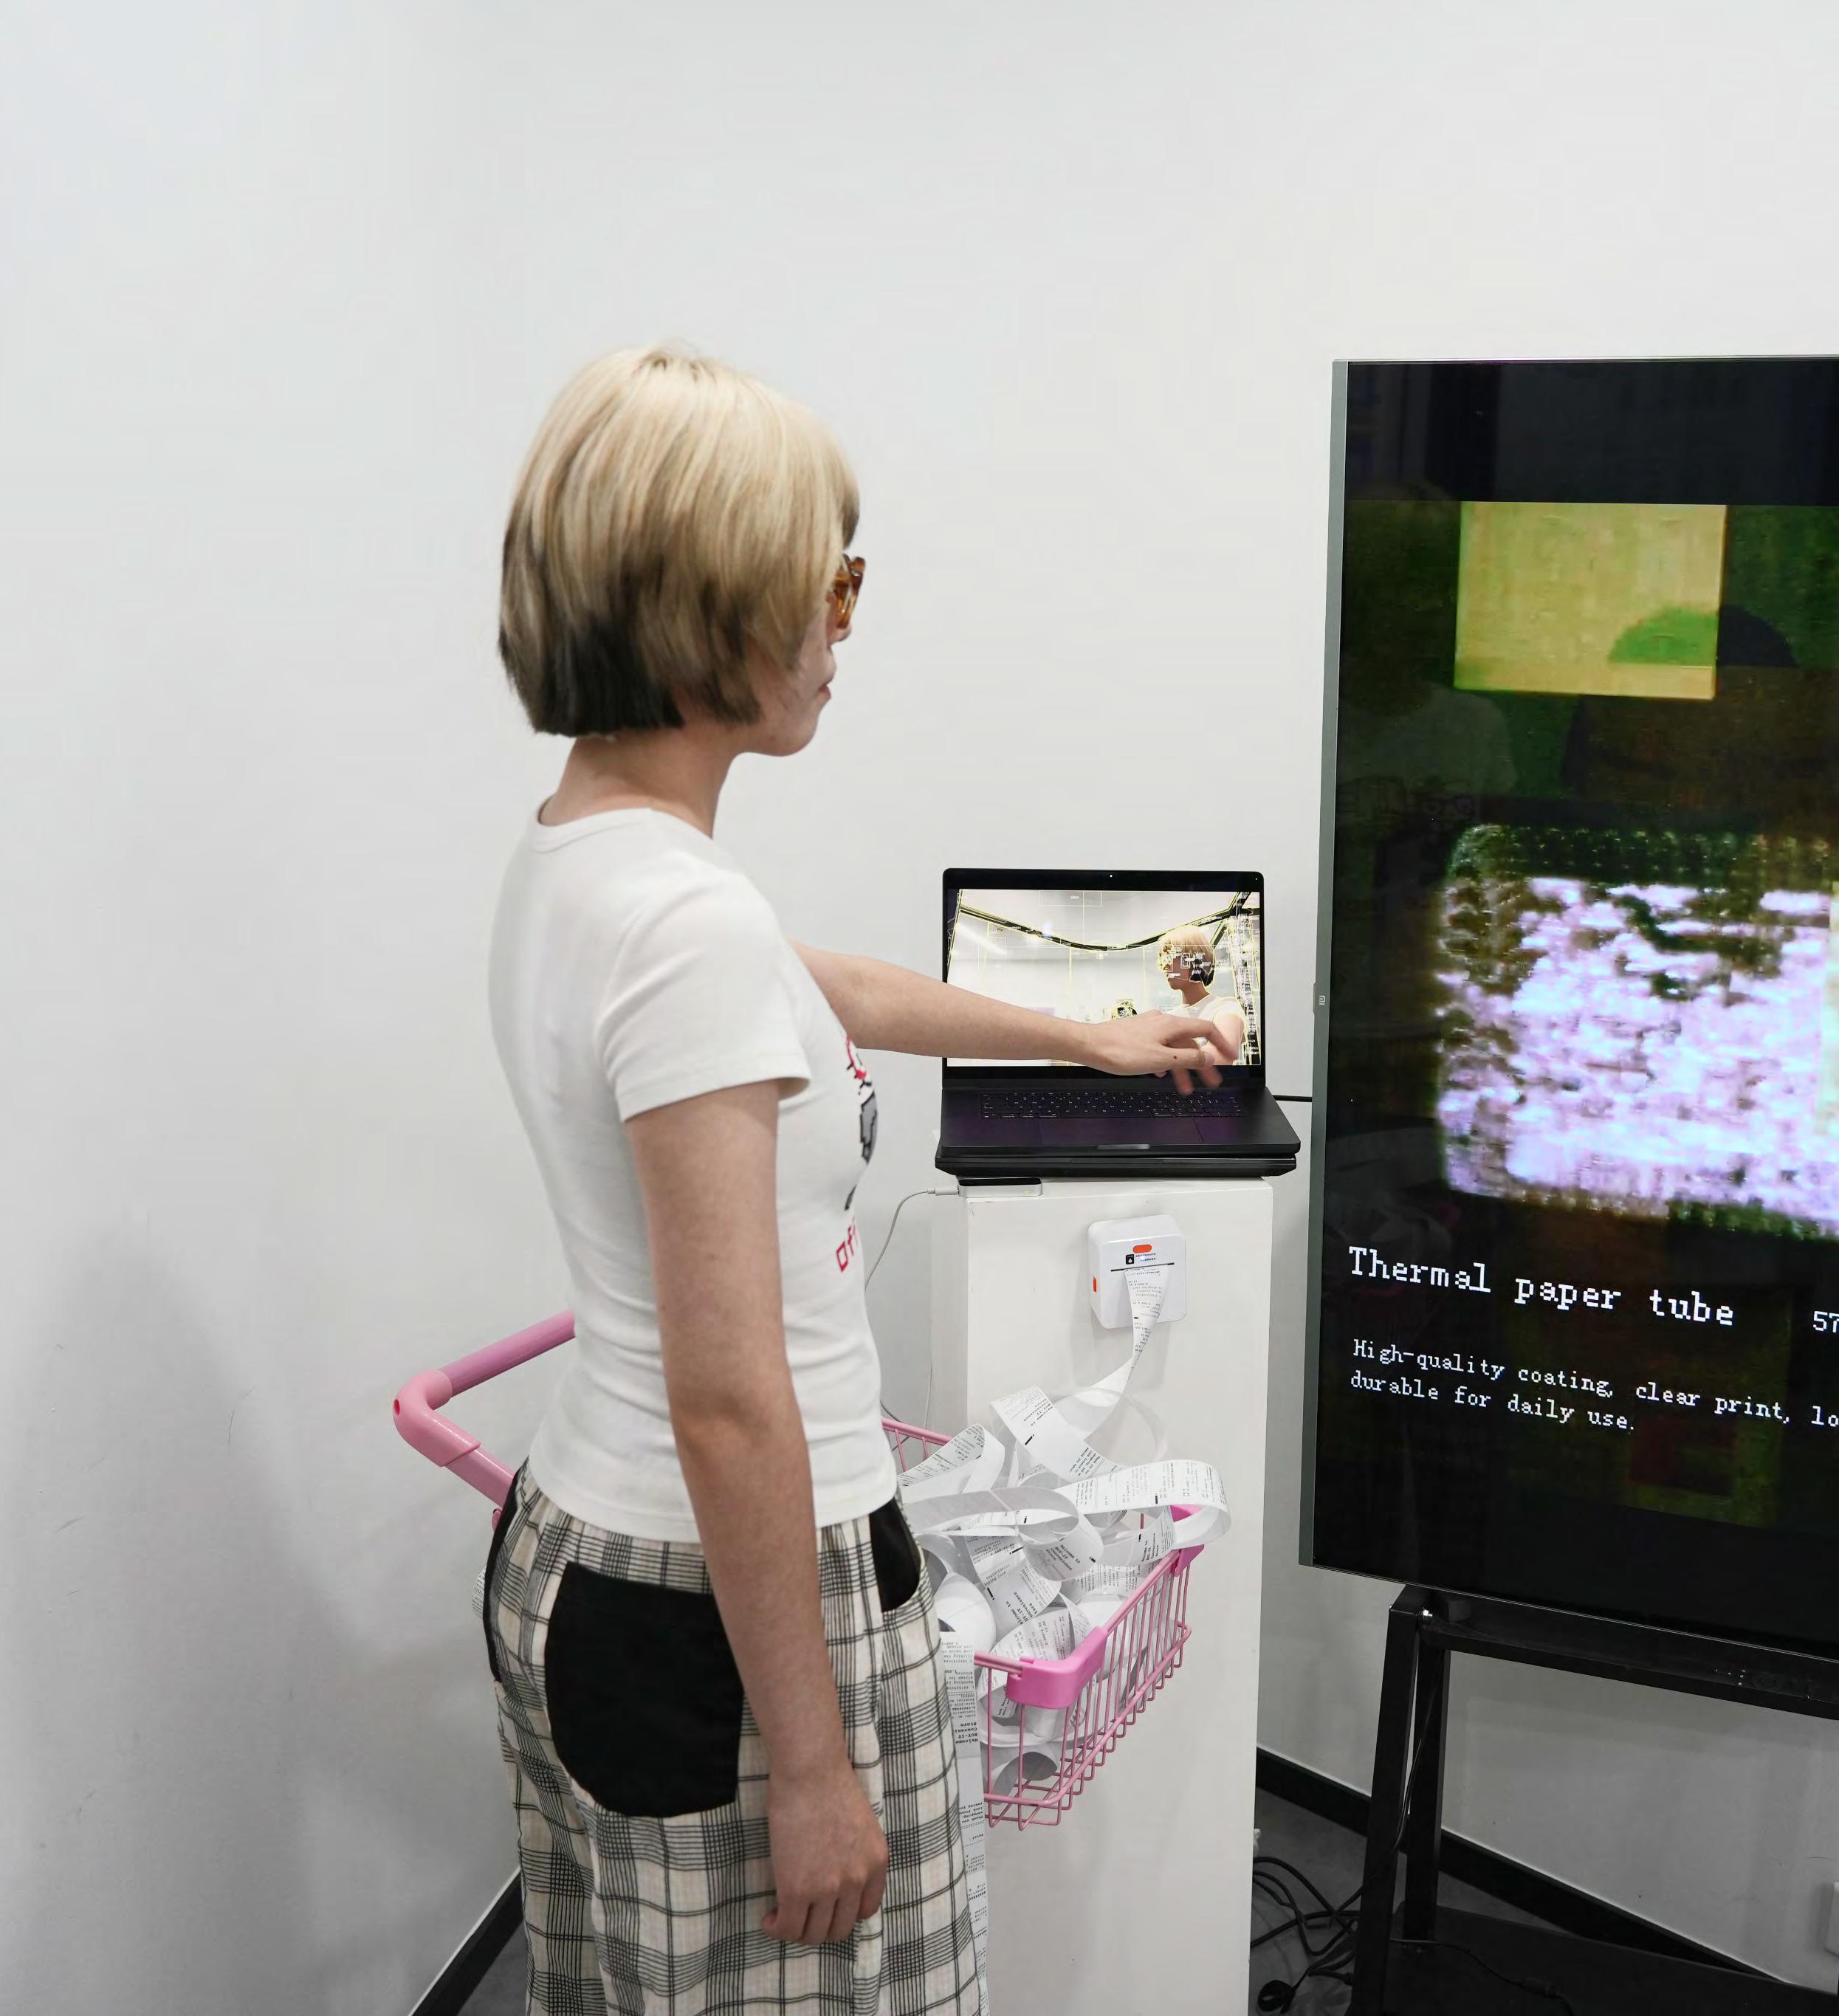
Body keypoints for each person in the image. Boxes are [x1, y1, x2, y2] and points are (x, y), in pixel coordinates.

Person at [480, 344, 1231, 2015]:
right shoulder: (683, 923)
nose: (844, 629)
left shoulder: (591, 853)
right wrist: (813, 1770)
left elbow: (829, 988)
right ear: (715, 610)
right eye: (831, 586)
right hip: (734, 1607)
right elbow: (729, 1399)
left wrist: (1088, 1037)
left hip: (594, 1550)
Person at [1150, 924, 1251, 1065]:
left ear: (1194, 959)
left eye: (1171, 957)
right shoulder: (1168, 1017)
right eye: (1164, 959)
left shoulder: (1226, 1008)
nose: (1166, 966)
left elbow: (1220, 1058)